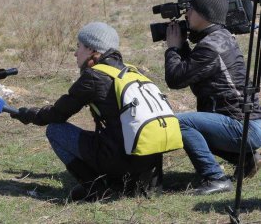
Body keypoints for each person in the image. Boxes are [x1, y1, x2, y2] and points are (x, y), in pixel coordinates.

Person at [11, 22, 163, 202]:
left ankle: (95, 189)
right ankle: (123, 182)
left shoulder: (94, 76)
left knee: (55, 130)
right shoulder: (132, 71)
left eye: (78, 47)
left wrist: (28, 114)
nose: (75, 53)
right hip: (148, 165)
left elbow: (57, 114)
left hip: (120, 159)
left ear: (91, 49)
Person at [165, 0, 261, 195]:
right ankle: (245, 159)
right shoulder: (221, 36)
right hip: (248, 123)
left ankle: (215, 178)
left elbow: (175, 79)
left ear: (204, 13)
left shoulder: (210, 46)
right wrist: (182, 46)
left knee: (180, 122)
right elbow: (192, 69)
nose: (186, 13)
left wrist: (173, 48)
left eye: (190, 9)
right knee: (200, 123)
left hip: (243, 127)